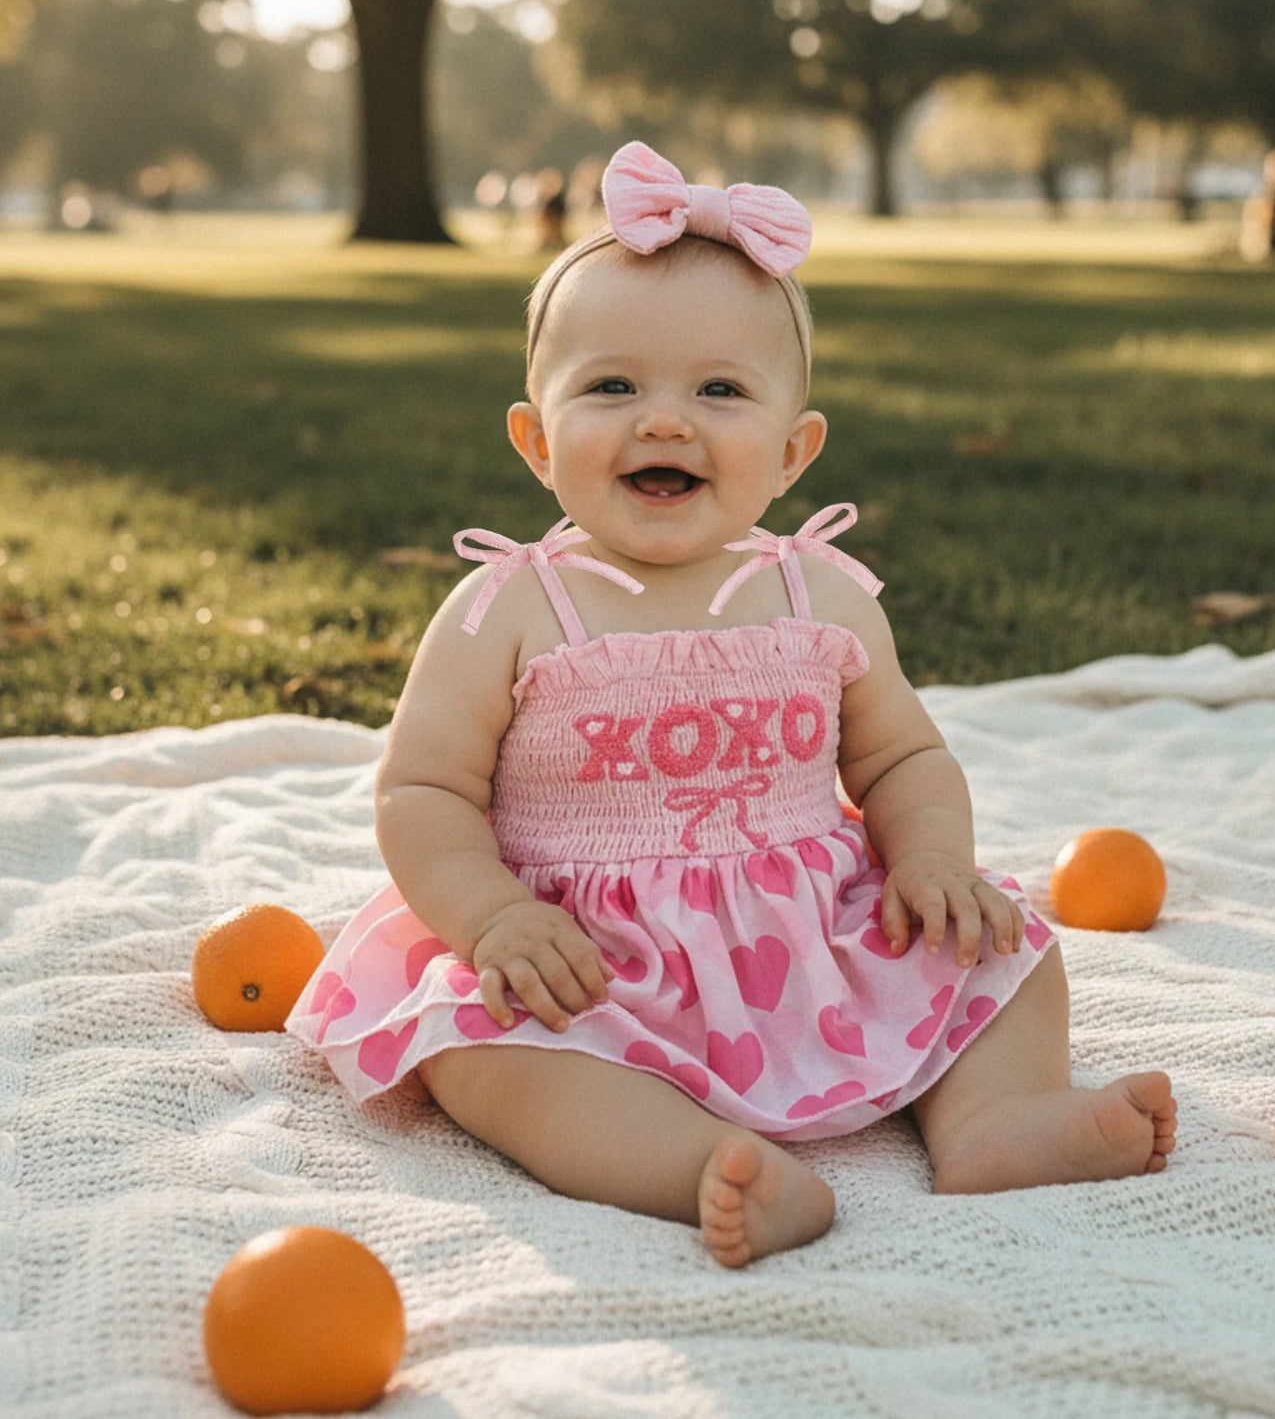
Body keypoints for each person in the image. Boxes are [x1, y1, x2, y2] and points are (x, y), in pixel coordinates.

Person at [286, 141, 1177, 1267]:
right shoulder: (508, 607)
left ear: (794, 449)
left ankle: (995, 1120)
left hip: (810, 935)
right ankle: (695, 1165)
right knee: (480, 1048)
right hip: (589, 960)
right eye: (612, 386)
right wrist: (493, 918)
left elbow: (900, 757)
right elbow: (423, 788)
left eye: (719, 389)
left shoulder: (823, 594)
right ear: (534, 438)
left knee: (1005, 942)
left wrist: (930, 858)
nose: (665, 420)